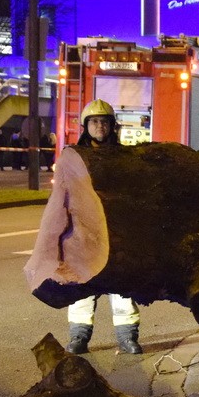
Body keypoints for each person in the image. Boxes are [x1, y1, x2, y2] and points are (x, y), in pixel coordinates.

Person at [65, 99, 143, 355]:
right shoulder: (74, 157)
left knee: (121, 286)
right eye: (94, 121)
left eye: (104, 122)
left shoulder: (124, 158)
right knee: (82, 284)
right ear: (86, 126)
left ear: (112, 126)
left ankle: (127, 337)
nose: (100, 126)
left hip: (116, 230)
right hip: (83, 231)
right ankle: (79, 336)